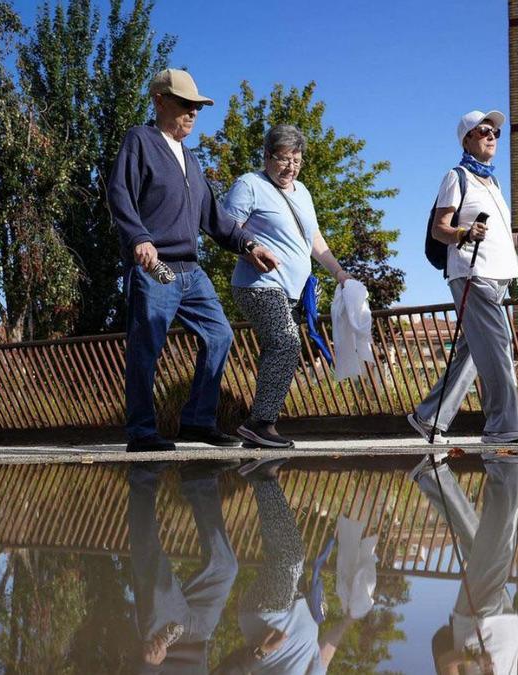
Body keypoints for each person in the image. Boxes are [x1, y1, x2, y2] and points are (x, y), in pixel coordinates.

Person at [109, 68, 252, 453]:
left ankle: (197, 421)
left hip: (192, 270)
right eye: (185, 104)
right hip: (157, 268)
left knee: (220, 335)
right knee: (146, 347)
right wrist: (139, 237)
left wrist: (248, 245)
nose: (192, 113)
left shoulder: (191, 159)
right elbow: (120, 193)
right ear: (159, 100)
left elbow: (213, 217)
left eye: (197, 107)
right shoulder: (140, 140)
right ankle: (141, 432)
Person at [221, 125, 352, 449]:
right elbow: (225, 228)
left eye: (296, 159)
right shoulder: (250, 185)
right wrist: (249, 249)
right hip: (258, 283)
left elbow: (314, 240)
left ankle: (261, 425)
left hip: (293, 291)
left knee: (280, 348)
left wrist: (339, 272)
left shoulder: (303, 192)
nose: (290, 166)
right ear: (267, 156)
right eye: (282, 159)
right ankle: (260, 423)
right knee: (286, 342)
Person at [407, 110, 518, 448]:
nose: (492, 136)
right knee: (499, 346)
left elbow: (499, 236)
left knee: (473, 351)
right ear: (467, 138)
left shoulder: (494, 183)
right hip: (473, 274)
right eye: (484, 130)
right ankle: (502, 425)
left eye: (496, 133)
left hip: (499, 276)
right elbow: (439, 229)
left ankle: (429, 417)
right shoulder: (456, 177)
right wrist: (464, 232)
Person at [215, 458, 358, 674]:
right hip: (297, 601)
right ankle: (257, 475)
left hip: (268, 617)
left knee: (289, 558)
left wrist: (258, 652)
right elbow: (324, 656)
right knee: (286, 553)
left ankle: (261, 475)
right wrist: (347, 622)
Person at [409, 451, 518, 675]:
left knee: (501, 539)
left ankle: (504, 459)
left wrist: (474, 661)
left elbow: (446, 664)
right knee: (476, 543)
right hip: (502, 625)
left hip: (481, 625)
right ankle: (431, 476)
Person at [127, 461, 238, 672]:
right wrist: (260, 654)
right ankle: (199, 479)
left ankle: (142, 476)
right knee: (225, 567)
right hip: (201, 632)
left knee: (152, 565)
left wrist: (148, 668)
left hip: (163, 639)